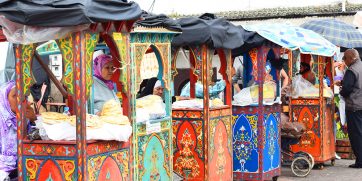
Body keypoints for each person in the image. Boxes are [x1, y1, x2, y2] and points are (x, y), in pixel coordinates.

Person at [0, 81, 36, 180]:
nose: (19, 99)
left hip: (24, 167)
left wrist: (33, 120)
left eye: (22, 95)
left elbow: (31, 140)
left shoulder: (24, 116)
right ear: (5, 99)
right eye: (14, 95)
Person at [337, 49, 362, 168]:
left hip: (355, 106)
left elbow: (347, 89)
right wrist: (343, 82)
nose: (344, 61)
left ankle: (360, 161)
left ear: (351, 58)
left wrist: (341, 91)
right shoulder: (360, 66)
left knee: (356, 134)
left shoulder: (351, 70)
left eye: (345, 58)